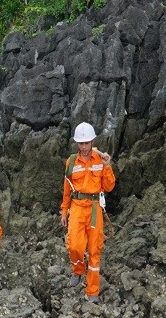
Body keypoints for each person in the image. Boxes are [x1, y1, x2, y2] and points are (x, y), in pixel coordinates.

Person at [60, 122, 115, 304]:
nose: (84, 146)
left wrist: (107, 166)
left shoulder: (101, 160)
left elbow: (109, 186)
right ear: (77, 144)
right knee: (74, 246)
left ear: (92, 142)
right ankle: (77, 270)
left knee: (94, 250)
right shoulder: (71, 161)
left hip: (94, 209)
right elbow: (67, 189)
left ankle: (92, 291)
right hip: (76, 208)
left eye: (86, 143)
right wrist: (64, 211)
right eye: (80, 143)